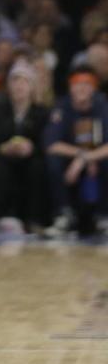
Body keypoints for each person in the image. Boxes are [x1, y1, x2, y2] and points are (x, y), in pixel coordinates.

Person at [0, 60, 50, 233]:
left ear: (32, 86)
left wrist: (31, 148)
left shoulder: (42, 112)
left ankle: (33, 220)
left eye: (24, 81)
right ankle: (0, 219)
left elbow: (47, 141)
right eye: (15, 80)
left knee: (37, 167)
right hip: (3, 157)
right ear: (8, 86)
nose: (19, 85)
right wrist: (3, 148)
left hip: (31, 159)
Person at [44, 57, 108, 237]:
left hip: (96, 166)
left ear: (94, 87)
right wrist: (80, 155)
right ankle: (64, 215)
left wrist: (87, 158)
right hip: (70, 167)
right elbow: (51, 145)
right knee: (53, 161)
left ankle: (104, 217)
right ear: (70, 87)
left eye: (87, 84)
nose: (81, 88)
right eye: (77, 84)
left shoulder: (103, 107)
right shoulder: (61, 108)